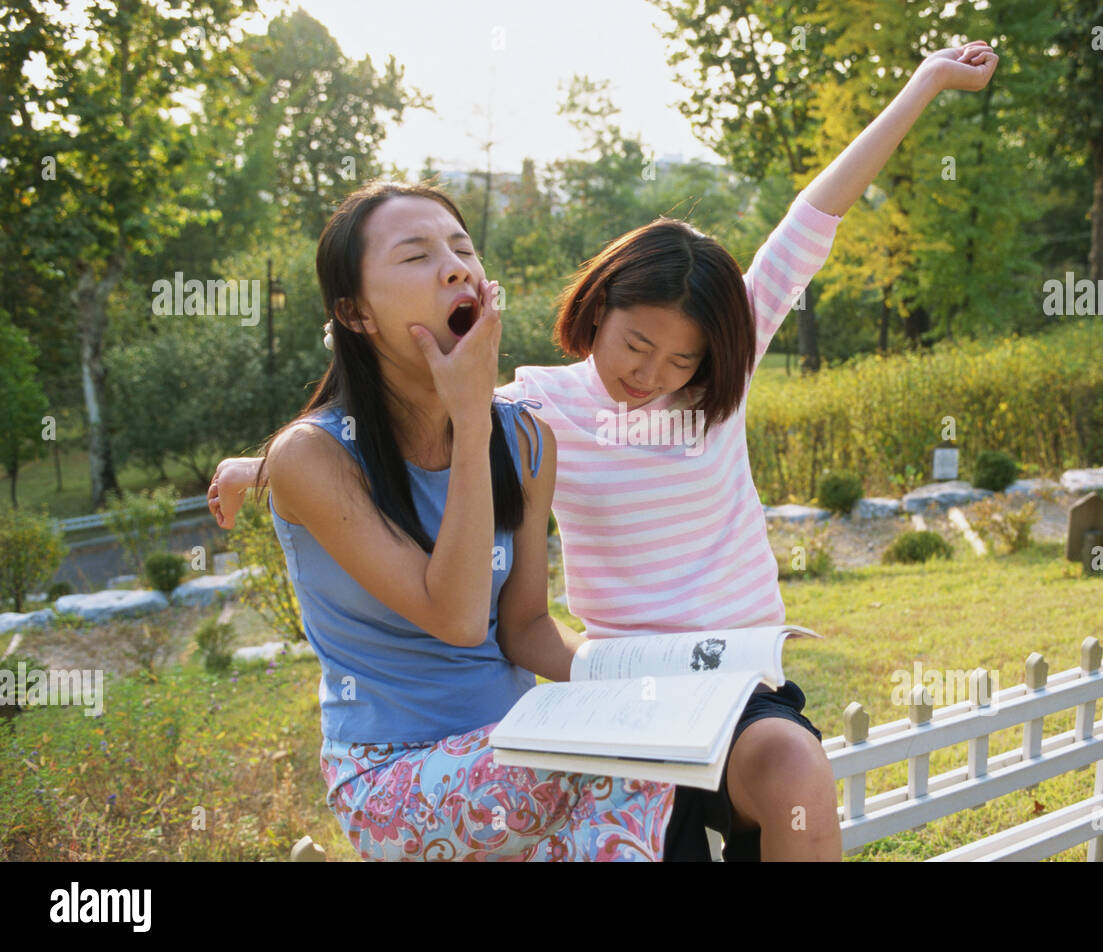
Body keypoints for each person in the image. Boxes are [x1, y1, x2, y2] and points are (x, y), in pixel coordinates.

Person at [210, 40, 999, 861]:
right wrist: (263, 467)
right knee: (643, 770)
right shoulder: (536, 414)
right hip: (569, 716)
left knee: (782, 766)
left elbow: (813, 219)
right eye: (636, 345)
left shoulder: (626, 405)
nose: (653, 375)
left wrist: (926, 80)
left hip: (722, 688)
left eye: (681, 359)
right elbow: (371, 439)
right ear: (597, 310)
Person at [253, 179, 673, 861]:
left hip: (516, 748)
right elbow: (452, 614)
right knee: (623, 754)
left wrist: (640, 685)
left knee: (653, 740)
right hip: (391, 775)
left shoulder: (527, 442)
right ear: (355, 314)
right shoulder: (316, 456)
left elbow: (527, 627)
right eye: (415, 256)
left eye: (463, 248)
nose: (455, 267)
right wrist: (473, 418)